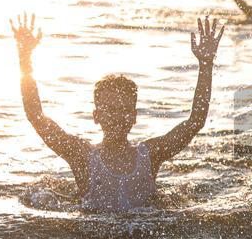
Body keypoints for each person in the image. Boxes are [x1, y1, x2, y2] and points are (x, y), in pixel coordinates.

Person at [11, 12, 224, 210]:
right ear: (96, 116)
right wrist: (25, 58)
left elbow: (195, 122)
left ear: (134, 117)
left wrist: (205, 65)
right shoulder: (83, 157)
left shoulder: (149, 156)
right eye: (110, 110)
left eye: (123, 110)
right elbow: (36, 116)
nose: (117, 117)